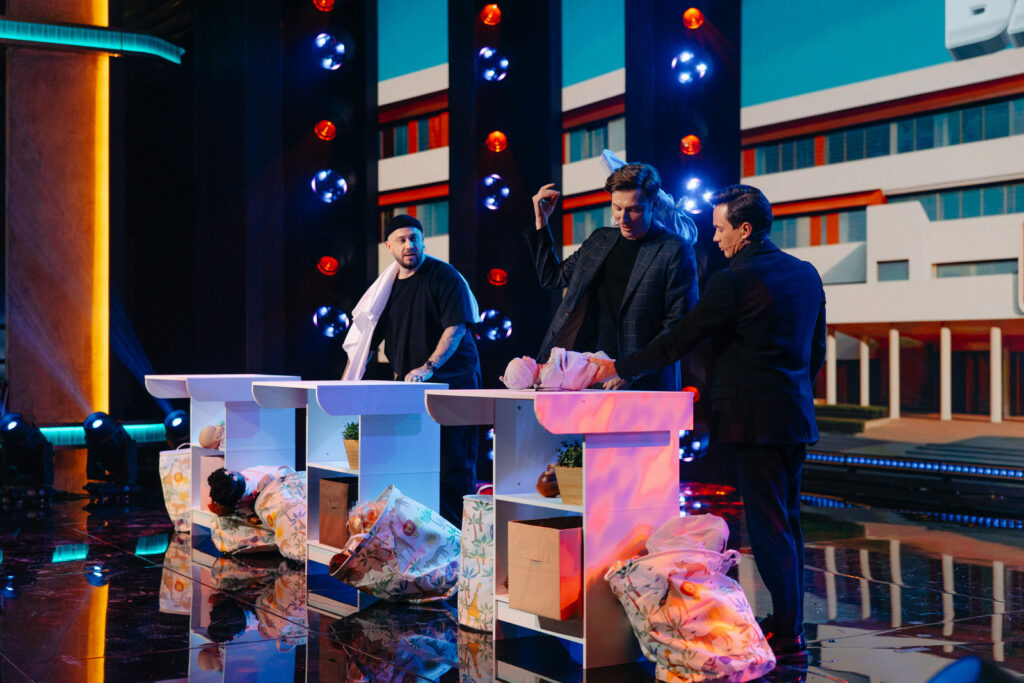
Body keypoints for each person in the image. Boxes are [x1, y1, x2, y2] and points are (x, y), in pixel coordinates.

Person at [590, 184, 826, 659]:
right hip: (793, 415)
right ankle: (790, 623)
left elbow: (683, 337)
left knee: (768, 527)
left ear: (745, 229)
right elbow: (816, 349)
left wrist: (623, 367)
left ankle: (788, 634)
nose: (715, 238)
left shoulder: (732, 280)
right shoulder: (806, 273)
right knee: (789, 522)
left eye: (720, 229)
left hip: (753, 420)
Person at [342, 214, 481, 525]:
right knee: (415, 460)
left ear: (423, 241)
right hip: (412, 390)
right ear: (388, 246)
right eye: (402, 240)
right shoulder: (386, 288)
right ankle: (420, 534)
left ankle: (458, 536)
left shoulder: (444, 276)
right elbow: (366, 341)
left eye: (414, 238)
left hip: (452, 385)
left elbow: (456, 327)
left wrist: (428, 366)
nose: (409, 245)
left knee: (452, 462)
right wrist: (346, 382)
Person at [526, 163, 698, 390]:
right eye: (616, 207)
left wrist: (627, 370)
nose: (622, 218)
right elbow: (552, 277)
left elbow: (678, 328)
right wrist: (542, 222)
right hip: (583, 374)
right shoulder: (600, 239)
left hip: (640, 382)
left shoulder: (674, 249)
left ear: (654, 203)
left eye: (634, 209)